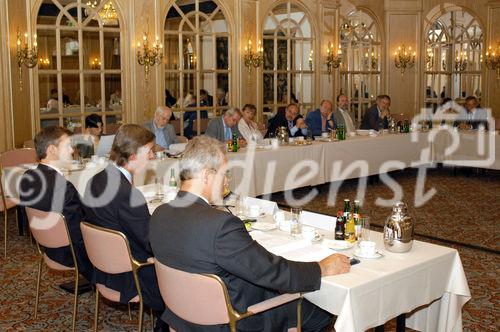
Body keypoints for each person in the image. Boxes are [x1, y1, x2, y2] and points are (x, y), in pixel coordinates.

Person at [149, 136, 350, 331]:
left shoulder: (160, 214)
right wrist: (320, 268)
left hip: (182, 315)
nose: (227, 181)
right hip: (235, 320)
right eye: (224, 174)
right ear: (206, 176)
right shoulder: (220, 225)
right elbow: (272, 272)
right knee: (319, 312)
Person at [82, 124, 165, 317]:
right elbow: (150, 242)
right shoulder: (127, 194)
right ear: (133, 155)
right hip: (131, 274)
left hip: (103, 267)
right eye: (149, 151)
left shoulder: (95, 180)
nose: (153, 156)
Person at [19, 126, 93, 281]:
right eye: (67, 146)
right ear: (52, 149)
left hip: (47, 247)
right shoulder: (63, 187)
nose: (72, 151)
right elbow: (77, 233)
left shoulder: (28, 177)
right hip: (70, 254)